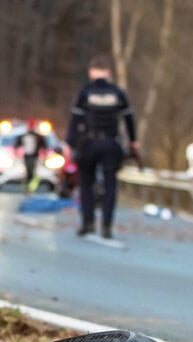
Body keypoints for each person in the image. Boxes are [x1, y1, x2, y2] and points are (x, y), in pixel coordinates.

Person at [66, 54, 138, 239]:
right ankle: (106, 225)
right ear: (108, 73)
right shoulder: (117, 93)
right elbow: (129, 118)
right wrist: (133, 141)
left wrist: (69, 144)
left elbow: (75, 120)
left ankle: (87, 222)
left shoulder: (86, 92)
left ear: (91, 72)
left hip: (89, 144)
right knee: (110, 185)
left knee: (86, 183)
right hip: (111, 144)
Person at [15, 119, 47, 193]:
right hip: (26, 156)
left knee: (34, 172)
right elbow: (17, 144)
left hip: (35, 156)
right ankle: (27, 186)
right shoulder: (23, 136)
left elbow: (44, 145)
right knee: (27, 171)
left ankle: (32, 187)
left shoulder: (38, 137)